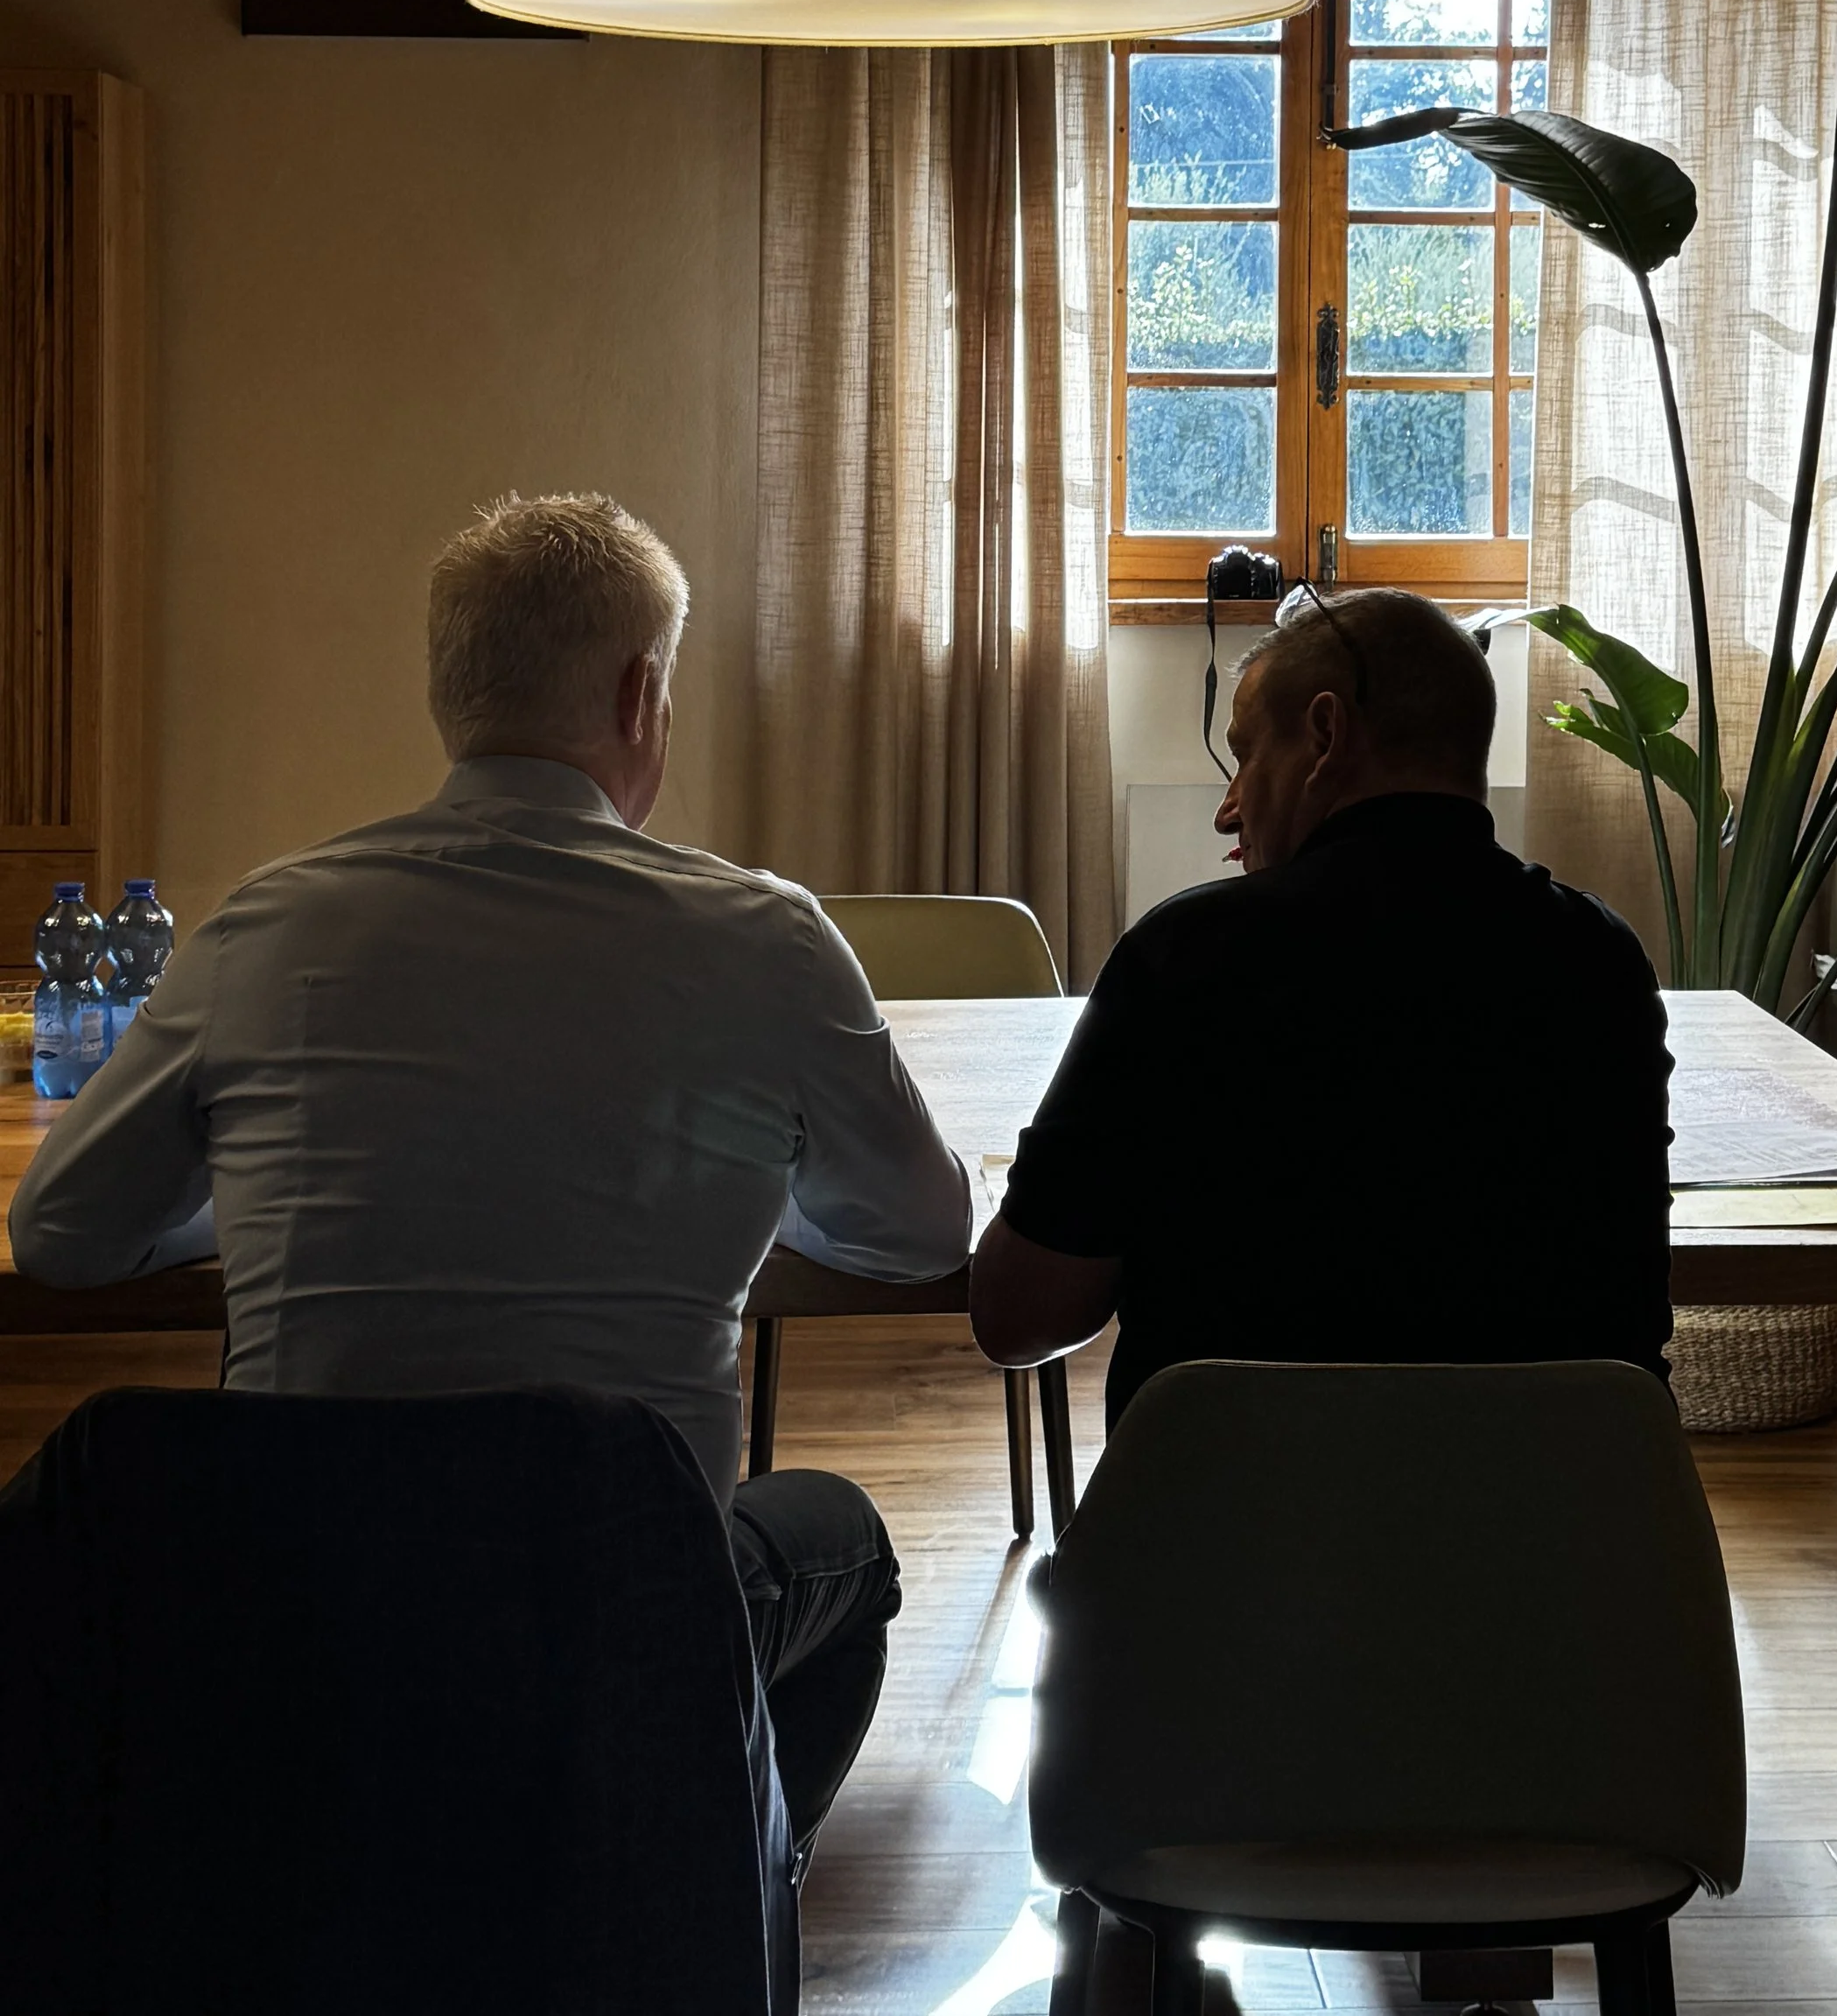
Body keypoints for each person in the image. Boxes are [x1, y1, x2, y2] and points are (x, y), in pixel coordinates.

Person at [11, 492, 972, 1861]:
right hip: (620, 1614)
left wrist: (276, 1179)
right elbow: (926, 1230)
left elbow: (61, 1234)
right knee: (843, 1546)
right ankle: (685, 1891)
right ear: (644, 694)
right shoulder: (766, 939)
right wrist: (753, 1181)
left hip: (302, 1616)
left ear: (448, 692)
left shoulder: (268, 924)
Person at [971, 586, 1670, 1426]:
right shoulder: (1601, 960)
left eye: (1245, 755)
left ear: (1326, 736)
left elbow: (1018, 1318)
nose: (1228, 806)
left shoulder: (1187, 956)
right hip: (1562, 1536)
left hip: (1220, 1536)